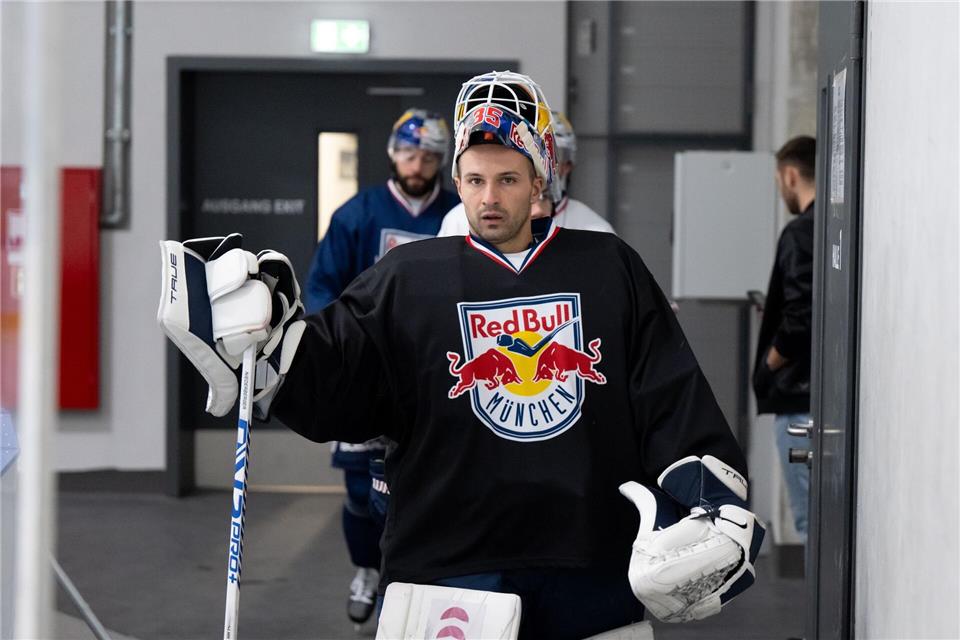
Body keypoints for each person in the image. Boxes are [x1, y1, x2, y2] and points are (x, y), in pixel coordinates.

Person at [158, 71, 763, 638]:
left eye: (507, 179)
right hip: (448, 564)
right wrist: (269, 345)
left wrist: (711, 498)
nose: (489, 198)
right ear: (458, 181)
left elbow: (667, 391)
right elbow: (337, 379)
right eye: (474, 180)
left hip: (590, 562)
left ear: (540, 181)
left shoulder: (609, 266)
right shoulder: (406, 278)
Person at [302, 108, 461, 625]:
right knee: (359, 485)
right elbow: (322, 288)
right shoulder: (357, 214)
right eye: (411, 153)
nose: (419, 163)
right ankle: (368, 568)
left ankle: (426, 579)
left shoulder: (458, 212)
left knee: (441, 478)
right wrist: (340, 351)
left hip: (439, 371)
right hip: (371, 371)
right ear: (394, 153)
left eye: (430, 155)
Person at [752, 135, 816, 538]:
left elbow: (801, 314)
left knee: (811, 521)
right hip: (820, 395)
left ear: (790, 176)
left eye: (779, 182)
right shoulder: (836, 226)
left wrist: (768, 366)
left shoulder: (799, 233)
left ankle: (822, 605)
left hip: (798, 402)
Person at [437, 110, 614, 236]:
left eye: (551, 155)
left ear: (567, 166)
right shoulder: (459, 219)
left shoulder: (595, 230)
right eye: (534, 154)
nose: (542, 163)